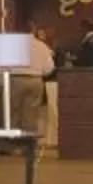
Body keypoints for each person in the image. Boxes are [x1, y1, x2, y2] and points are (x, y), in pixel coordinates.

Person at [30, 24, 60, 153]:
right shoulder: (41, 48)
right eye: (39, 34)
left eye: (43, 34)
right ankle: (38, 139)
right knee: (37, 112)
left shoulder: (47, 48)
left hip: (45, 82)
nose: (42, 36)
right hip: (39, 80)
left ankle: (44, 139)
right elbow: (49, 68)